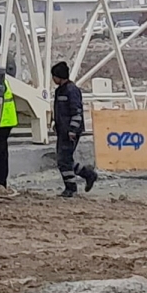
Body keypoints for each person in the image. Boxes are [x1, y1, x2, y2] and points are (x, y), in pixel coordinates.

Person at [50, 60, 98, 198]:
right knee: (66, 160)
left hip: (70, 132)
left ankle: (71, 188)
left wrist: (73, 130)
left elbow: (76, 111)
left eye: (54, 76)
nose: (53, 79)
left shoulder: (71, 90)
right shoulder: (60, 91)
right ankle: (88, 175)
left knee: (63, 161)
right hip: (63, 131)